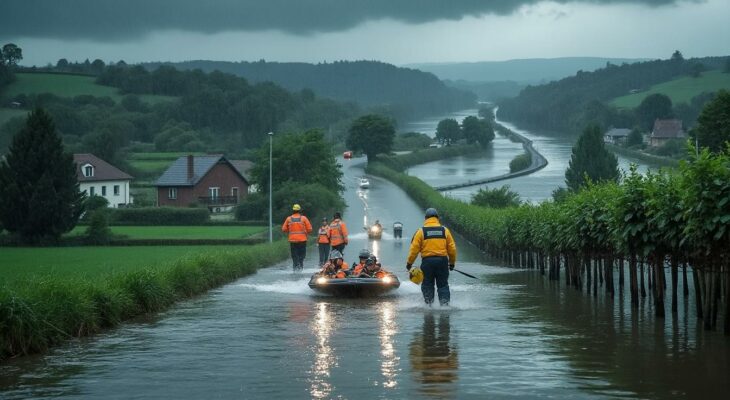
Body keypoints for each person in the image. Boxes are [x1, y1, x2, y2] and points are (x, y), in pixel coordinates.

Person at [406, 208, 457, 306]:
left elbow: (414, 250)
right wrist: (452, 263)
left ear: (425, 218)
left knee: (427, 285)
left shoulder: (421, 231)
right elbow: (452, 248)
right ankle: (445, 306)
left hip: (427, 262)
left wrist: (409, 263)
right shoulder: (445, 230)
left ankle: (429, 306)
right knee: (443, 285)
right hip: (442, 262)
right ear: (437, 218)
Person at [281, 204, 312, 270]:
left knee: (294, 256)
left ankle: (295, 269)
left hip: (293, 240)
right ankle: (300, 268)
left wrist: (290, 231)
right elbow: (310, 229)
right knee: (301, 256)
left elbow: (283, 229)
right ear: (299, 211)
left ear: (293, 210)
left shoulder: (288, 219)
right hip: (302, 240)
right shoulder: (304, 218)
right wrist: (305, 232)